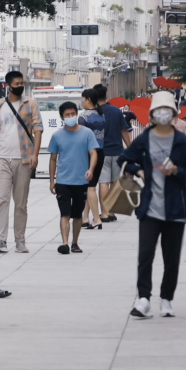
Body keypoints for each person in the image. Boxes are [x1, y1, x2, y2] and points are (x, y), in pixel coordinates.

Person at [117, 90, 186, 318]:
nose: (163, 114)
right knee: (145, 255)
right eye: (159, 110)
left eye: (167, 110)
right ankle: (143, 298)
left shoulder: (182, 142)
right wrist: (139, 170)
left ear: (173, 114)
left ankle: (166, 299)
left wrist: (176, 171)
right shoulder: (145, 138)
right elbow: (125, 159)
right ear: (152, 115)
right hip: (149, 208)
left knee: (171, 259)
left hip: (175, 209)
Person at [0, 69, 42, 254]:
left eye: (21, 83)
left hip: (23, 159)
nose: (20, 86)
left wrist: (35, 155)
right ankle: (0, 240)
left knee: (21, 203)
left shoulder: (30, 103)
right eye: (16, 84)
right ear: (8, 86)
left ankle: (20, 241)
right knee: (2, 199)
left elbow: (38, 129)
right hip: (2, 160)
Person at [47, 101, 100, 255]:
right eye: (67, 115)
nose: (71, 117)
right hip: (63, 181)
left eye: (73, 114)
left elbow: (94, 153)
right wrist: (52, 180)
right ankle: (65, 243)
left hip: (81, 180)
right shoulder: (57, 136)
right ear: (62, 117)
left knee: (77, 214)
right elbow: (52, 159)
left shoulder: (87, 133)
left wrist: (91, 169)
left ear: (77, 114)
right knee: (65, 213)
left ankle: (75, 242)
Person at [92, 84, 129, 223]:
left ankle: (105, 213)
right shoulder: (116, 111)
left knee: (103, 182)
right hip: (118, 151)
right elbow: (124, 131)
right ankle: (112, 211)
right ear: (106, 96)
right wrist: (130, 148)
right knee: (115, 183)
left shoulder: (93, 112)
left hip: (101, 153)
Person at [79, 90, 107, 230]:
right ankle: (85, 217)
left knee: (90, 187)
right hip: (100, 153)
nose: (82, 101)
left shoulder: (83, 117)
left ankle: (96, 219)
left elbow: (80, 138)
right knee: (91, 186)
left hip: (88, 155)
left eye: (83, 99)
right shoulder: (101, 115)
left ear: (88, 99)